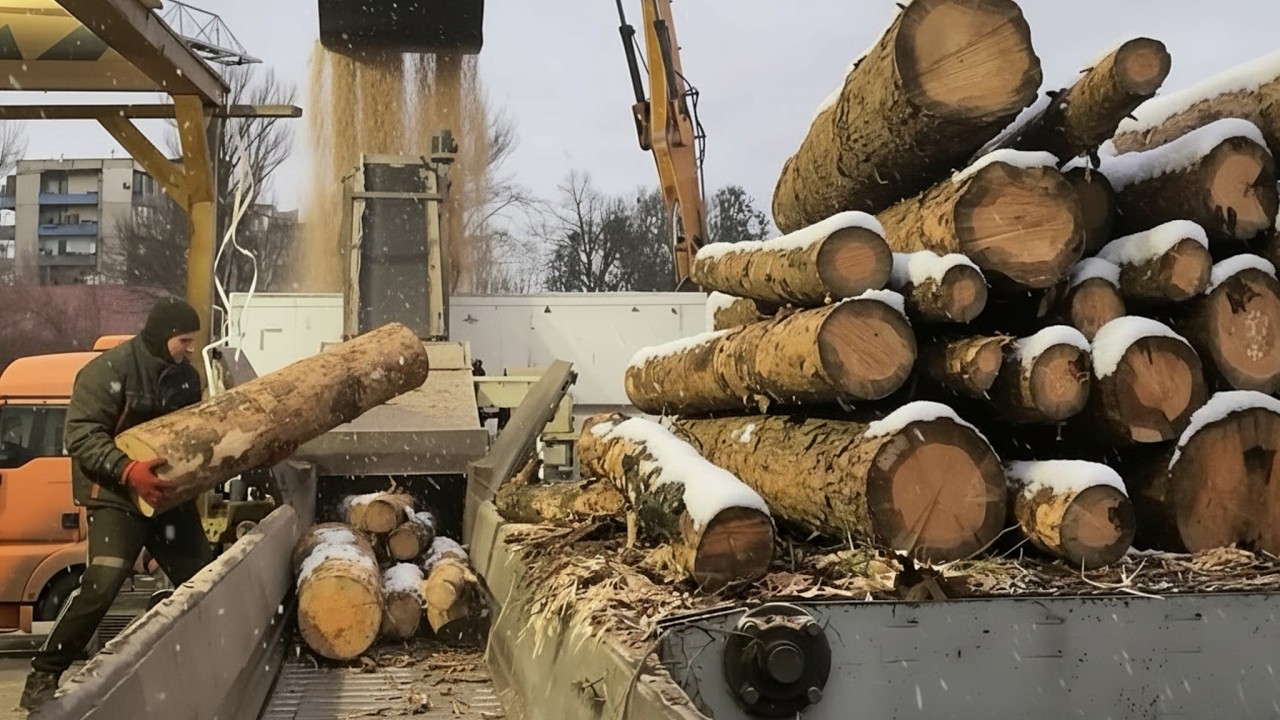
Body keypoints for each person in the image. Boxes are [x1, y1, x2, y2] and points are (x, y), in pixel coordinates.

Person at [20, 298, 215, 711]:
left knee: (204, 582)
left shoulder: (187, 378)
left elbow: (198, 434)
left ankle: (204, 666)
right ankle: (44, 674)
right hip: (114, 496)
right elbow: (81, 435)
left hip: (167, 498)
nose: (190, 349)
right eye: (185, 340)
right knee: (103, 583)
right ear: (165, 337)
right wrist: (128, 471)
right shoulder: (107, 371)